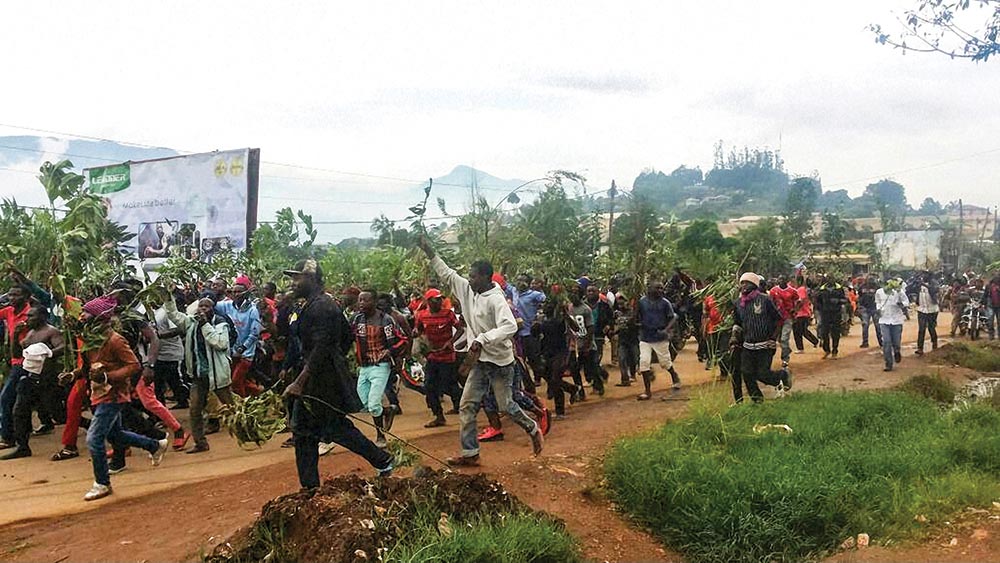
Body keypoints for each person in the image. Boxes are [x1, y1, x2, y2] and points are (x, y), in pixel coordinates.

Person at [418, 236, 543, 466]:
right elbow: (448, 274)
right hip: (480, 362)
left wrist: (483, 338)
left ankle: (532, 428)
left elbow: (510, 326)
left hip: (501, 362)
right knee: (467, 406)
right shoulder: (467, 290)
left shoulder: (496, 299)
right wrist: (430, 252)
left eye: (474, 275)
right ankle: (470, 453)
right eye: (470, 275)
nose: (469, 278)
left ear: (485, 277)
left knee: (506, 405)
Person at [282, 259, 393, 488]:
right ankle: (310, 486)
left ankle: (383, 460)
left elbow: (323, 346)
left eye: (297, 277)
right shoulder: (314, 304)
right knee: (305, 431)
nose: (293, 283)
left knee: (333, 428)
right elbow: (343, 339)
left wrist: (301, 381)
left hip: (321, 381)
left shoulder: (322, 306)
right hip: (317, 376)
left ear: (311, 278)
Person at [73, 296, 169, 501]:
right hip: (98, 393)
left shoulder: (115, 340)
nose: (81, 316)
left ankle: (102, 483)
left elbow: (134, 365)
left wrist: (109, 377)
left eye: (85, 313)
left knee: (94, 438)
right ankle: (155, 445)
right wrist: (74, 375)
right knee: (115, 435)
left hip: (113, 395)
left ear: (98, 317)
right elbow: (90, 367)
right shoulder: (91, 339)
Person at [163, 295, 234, 453]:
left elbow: (220, 344)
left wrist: (205, 325)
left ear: (212, 309)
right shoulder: (191, 322)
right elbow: (174, 315)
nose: (202, 309)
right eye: (200, 306)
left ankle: (249, 432)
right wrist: (168, 298)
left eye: (206, 307)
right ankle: (200, 443)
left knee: (231, 406)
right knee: (194, 409)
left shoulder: (220, 323)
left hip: (216, 375)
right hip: (198, 375)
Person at [2, 305, 65, 459]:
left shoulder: (51, 331)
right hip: (30, 378)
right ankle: (23, 447)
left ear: (43, 317)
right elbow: (18, 353)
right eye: (28, 316)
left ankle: (103, 430)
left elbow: (63, 346)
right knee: (19, 412)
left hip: (46, 380)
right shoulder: (30, 333)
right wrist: (15, 337)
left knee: (60, 415)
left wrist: (47, 352)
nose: (27, 319)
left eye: (32, 316)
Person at [351, 290, 408, 448]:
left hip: (380, 365)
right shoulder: (357, 319)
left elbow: (402, 339)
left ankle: (380, 435)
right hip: (364, 365)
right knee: (365, 402)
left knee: (374, 403)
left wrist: (390, 352)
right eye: (360, 300)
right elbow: (348, 335)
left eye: (365, 300)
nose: (361, 303)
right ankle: (388, 410)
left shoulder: (386, 320)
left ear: (374, 302)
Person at [732, 273, 791, 404]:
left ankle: (782, 376)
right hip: (748, 345)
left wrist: (773, 339)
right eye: (741, 283)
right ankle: (757, 401)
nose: (743, 286)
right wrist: (734, 337)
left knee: (762, 374)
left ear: (754, 285)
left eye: (746, 283)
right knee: (746, 373)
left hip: (765, 345)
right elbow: (737, 323)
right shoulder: (738, 303)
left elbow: (778, 319)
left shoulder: (765, 300)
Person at [413, 288, 463, 428]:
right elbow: (419, 330)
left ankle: (462, 404)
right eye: (436, 299)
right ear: (429, 301)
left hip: (447, 356)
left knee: (448, 384)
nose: (440, 301)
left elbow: (460, 329)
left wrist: (450, 342)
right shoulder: (422, 316)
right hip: (433, 355)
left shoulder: (448, 314)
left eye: (441, 298)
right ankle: (439, 416)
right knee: (429, 386)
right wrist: (421, 338)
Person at [215, 275, 262, 396]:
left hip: (246, 353)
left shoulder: (252, 310)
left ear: (246, 293)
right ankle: (261, 394)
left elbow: (255, 333)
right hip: (232, 352)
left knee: (236, 382)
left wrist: (243, 348)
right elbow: (211, 304)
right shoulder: (227, 305)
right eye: (233, 291)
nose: (236, 294)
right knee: (239, 381)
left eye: (239, 292)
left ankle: (240, 408)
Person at [635, 280, 682, 401]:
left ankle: (674, 376)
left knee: (665, 362)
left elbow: (673, 317)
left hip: (660, 337)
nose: (660, 291)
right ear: (650, 289)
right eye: (658, 288)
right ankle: (647, 391)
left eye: (662, 288)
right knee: (644, 362)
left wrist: (666, 330)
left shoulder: (665, 303)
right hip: (645, 337)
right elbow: (636, 316)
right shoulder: (642, 302)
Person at [0, 284, 34, 450]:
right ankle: (22, 433)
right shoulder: (8, 311)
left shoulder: (31, 314)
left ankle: (7, 437)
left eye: (16, 295)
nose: (11, 298)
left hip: (26, 362)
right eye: (10, 295)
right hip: (14, 361)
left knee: (6, 398)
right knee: (20, 400)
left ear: (26, 297)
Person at [532, 300, 576, 418]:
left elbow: (575, 328)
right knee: (551, 379)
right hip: (547, 354)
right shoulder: (541, 321)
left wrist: (566, 315)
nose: (547, 308)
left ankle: (560, 411)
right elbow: (535, 335)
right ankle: (571, 389)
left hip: (560, 353)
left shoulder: (561, 321)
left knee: (555, 379)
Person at [568, 284, 603, 399]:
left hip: (586, 345)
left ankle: (599, 384)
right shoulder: (569, 308)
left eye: (575, 294)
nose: (573, 296)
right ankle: (580, 391)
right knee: (574, 369)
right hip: (574, 345)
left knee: (591, 369)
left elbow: (591, 328)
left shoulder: (586, 309)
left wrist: (587, 345)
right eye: (571, 294)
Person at [513, 274, 546, 383]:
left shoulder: (535, 295)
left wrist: (539, 317)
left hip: (530, 332)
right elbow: (502, 283)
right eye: (518, 280)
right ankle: (528, 383)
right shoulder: (514, 292)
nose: (519, 283)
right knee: (521, 359)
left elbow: (547, 302)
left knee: (534, 359)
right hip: (518, 334)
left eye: (523, 281)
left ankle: (539, 378)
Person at [876, 279, 909, 372]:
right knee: (886, 342)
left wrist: (901, 304)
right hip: (884, 319)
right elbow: (878, 302)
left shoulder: (898, 292)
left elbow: (906, 302)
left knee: (896, 341)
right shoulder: (879, 292)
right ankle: (888, 363)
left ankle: (897, 351)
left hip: (897, 320)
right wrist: (878, 309)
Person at [767, 275, 797, 368]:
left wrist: (794, 310)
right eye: (779, 279)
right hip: (776, 319)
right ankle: (786, 350)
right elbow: (770, 303)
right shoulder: (773, 291)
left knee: (784, 339)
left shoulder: (792, 291)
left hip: (787, 317)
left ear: (786, 281)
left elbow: (799, 301)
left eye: (783, 279)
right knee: (778, 340)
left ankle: (785, 359)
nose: (781, 281)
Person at [815, 275, 848, 359]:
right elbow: (817, 301)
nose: (830, 280)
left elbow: (845, 300)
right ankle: (826, 350)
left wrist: (838, 301)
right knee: (824, 333)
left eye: (832, 278)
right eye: (829, 278)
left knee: (835, 333)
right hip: (825, 314)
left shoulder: (839, 288)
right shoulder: (822, 289)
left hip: (836, 313)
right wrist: (821, 308)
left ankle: (835, 351)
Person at [908, 272, 940, 355]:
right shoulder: (919, 284)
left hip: (932, 309)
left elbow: (934, 290)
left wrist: (924, 285)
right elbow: (909, 289)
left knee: (931, 328)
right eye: (922, 275)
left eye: (925, 274)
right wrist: (914, 281)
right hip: (921, 309)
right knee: (921, 329)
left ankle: (934, 342)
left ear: (929, 276)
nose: (923, 276)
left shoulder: (934, 283)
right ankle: (920, 348)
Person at [613, 297, 639, 386]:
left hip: (633, 339)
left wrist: (632, 321)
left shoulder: (633, 312)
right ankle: (625, 379)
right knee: (622, 358)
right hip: (622, 340)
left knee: (633, 359)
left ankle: (633, 375)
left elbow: (637, 324)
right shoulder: (617, 313)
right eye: (619, 304)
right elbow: (616, 325)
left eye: (622, 303)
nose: (620, 305)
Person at [791, 277, 819, 352]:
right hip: (803, 313)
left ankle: (801, 348)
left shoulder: (800, 289)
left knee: (798, 331)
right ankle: (815, 341)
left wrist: (795, 310)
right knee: (802, 331)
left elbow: (801, 300)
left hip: (801, 313)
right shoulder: (801, 289)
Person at [858, 275, 882, 348]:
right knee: (865, 325)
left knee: (878, 326)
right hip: (865, 308)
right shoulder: (862, 287)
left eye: (872, 279)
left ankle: (881, 342)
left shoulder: (877, 287)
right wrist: (859, 307)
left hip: (875, 308)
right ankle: (865, 342)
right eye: (869, 279)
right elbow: (859, 296)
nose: (870, 280)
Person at [984, 272, 1000, 340]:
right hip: (991, 305)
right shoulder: (988, 286)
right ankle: (991, 334)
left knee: (999, 320)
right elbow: (985, 295)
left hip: (999, 306)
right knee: (990, 320)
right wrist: (983, 303)